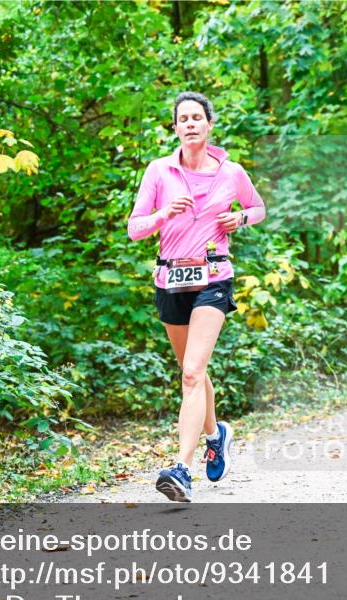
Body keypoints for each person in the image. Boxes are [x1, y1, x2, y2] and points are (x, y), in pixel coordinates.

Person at [127, 91, 266, 502]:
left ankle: (181, 469)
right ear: (175, 128)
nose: (189, 123)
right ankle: (215, 434)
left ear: (209, 125)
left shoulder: (231, 172)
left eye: (196, 117)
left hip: (213, 276)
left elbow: (257, 208)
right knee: (193, 370)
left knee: (191, 372)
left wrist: (240, 217)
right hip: (171, 279)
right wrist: (163, 215)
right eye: (182, 118)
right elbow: (135, 228)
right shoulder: (158, 171)